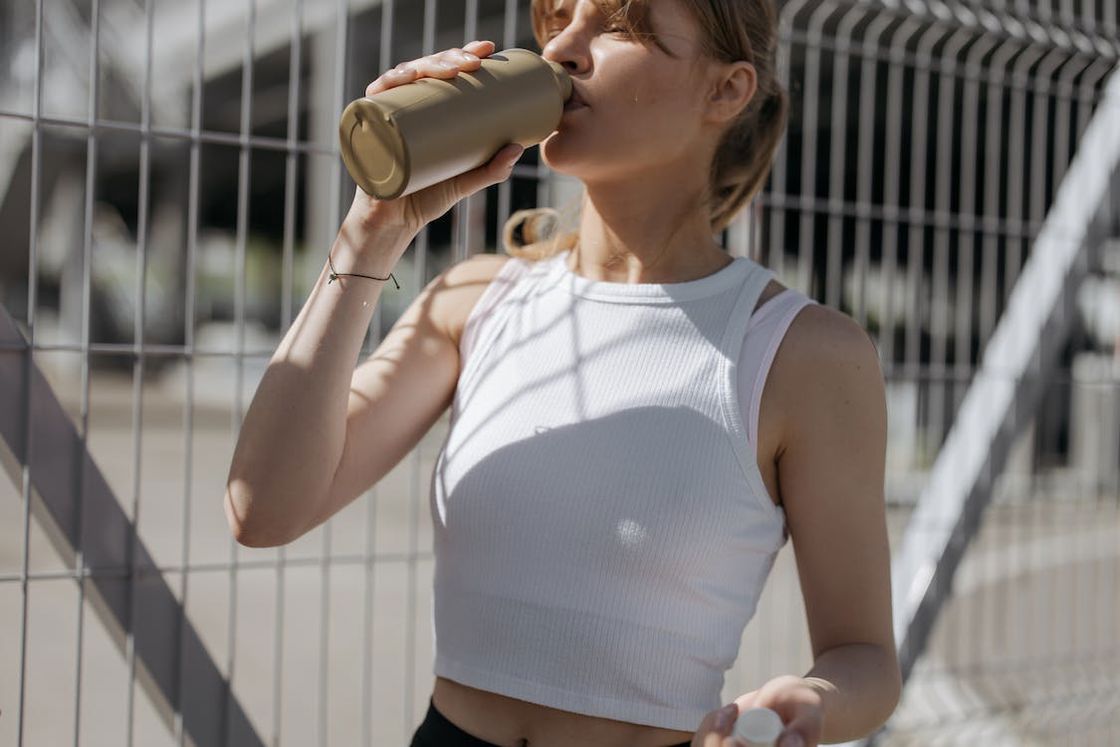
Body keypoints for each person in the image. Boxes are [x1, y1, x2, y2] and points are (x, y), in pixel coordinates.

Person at [224, 0, 902, 745]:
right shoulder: (474, 300)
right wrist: (371, 230)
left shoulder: (803, 354)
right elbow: (263, 509)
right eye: (559, 18)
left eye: (617, 26)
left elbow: (863, 656)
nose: (564, 51)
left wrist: (809, 701)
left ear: (727, 90)